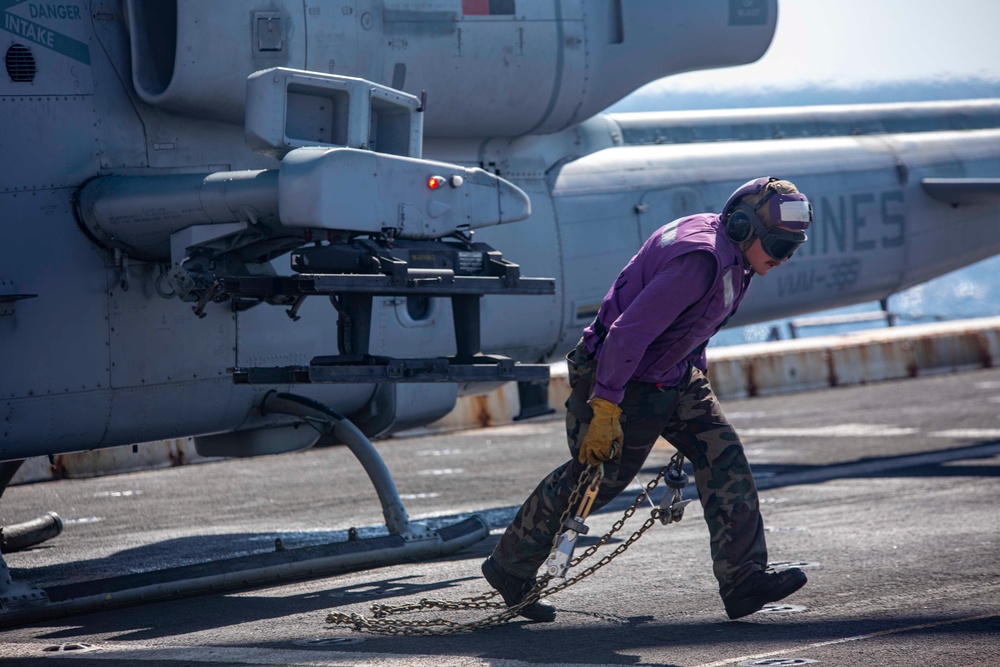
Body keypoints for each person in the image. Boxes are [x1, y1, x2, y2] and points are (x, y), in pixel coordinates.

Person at [482, 177, 813, 622]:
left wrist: (697, 375)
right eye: (779, 245)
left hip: (672, 373)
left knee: (722, 454)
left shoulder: (734, 256)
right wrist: (605, 406)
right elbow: (626, 336)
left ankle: (744, 580)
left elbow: (696, 324)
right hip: (623, 376)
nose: (783, 258)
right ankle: (508, 566)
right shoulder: (701, 260)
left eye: (792, 248)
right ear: (742, 227)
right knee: (595, 479)